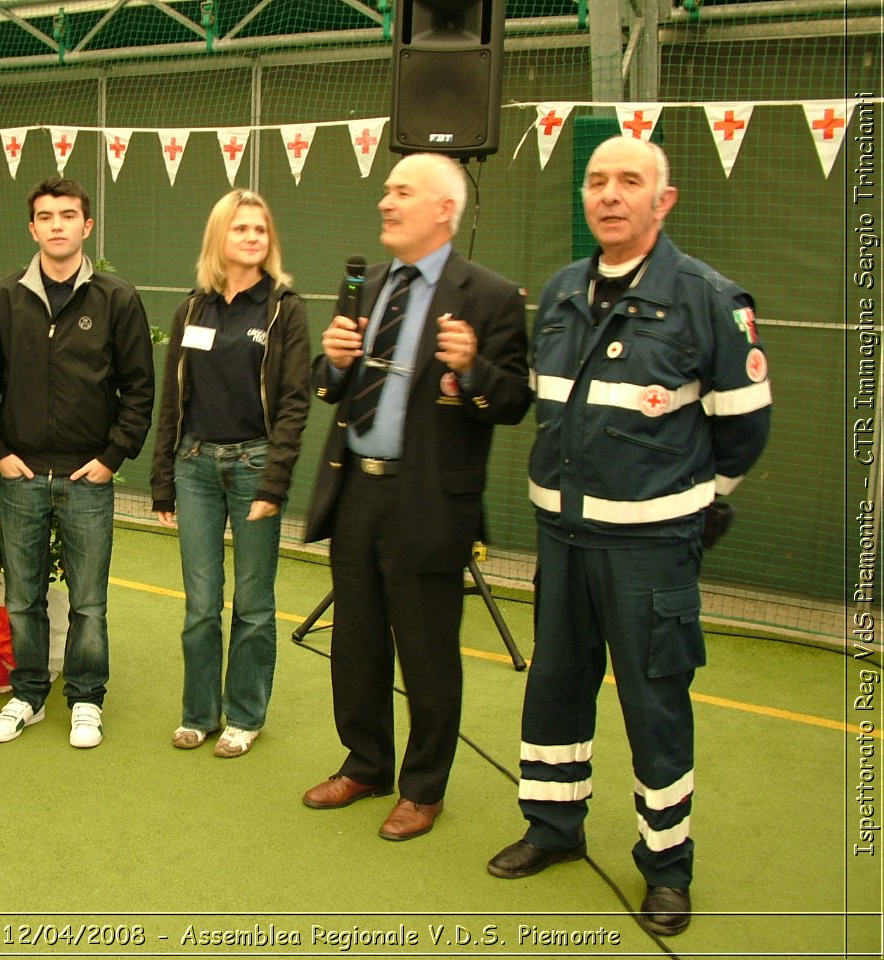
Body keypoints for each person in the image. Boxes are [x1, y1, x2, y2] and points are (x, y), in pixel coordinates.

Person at [486, 136, 772, 937]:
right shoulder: (564, 288)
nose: (610, 195)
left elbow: (745, 427)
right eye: (597, 181)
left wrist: (693, 504)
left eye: (630, 182)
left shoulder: (707, 296)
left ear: (663, 201)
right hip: (562, 540)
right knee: (555, 689)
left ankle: (667, 867)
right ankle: (553, 828)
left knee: (654, 704)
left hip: (650, 552)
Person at [301, 153, 532, 840]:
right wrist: (334, 364)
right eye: (385, 190)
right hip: (356, 492)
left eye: (401, 191)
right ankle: (365, 762)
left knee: (428, 652)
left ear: (443, 208)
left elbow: (513, 400)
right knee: (357, 643)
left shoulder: (491, 295)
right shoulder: (366, 284)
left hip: (429, 498)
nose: (385, 201)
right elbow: (328, 383)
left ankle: (423, 787)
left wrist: (473, 367)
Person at [0, 176, 155, 750]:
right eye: (46, 216)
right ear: (32, 228)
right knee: (22, 597)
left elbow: (139, 390)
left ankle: (86, 699)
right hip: (21, 477)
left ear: (87, 226)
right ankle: (27, 694)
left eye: (68, 215)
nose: (57, 224)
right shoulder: (3, 299)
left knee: (89, 601)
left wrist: (110, 457)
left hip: (86, 480)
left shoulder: (116, 299)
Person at [150, 190, 311, 758]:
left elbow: (294, 403)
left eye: (260, 229)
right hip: (193, 467)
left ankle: (245, 715)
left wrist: (275, 481)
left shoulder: (283, 309)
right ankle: (199, 713)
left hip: (254, 467)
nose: (252, 237)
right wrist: (162, 477)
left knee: (253, 604)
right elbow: (173, 398)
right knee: (200, 603)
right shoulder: (191, 309)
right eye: (240, 228)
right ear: (219, 237)